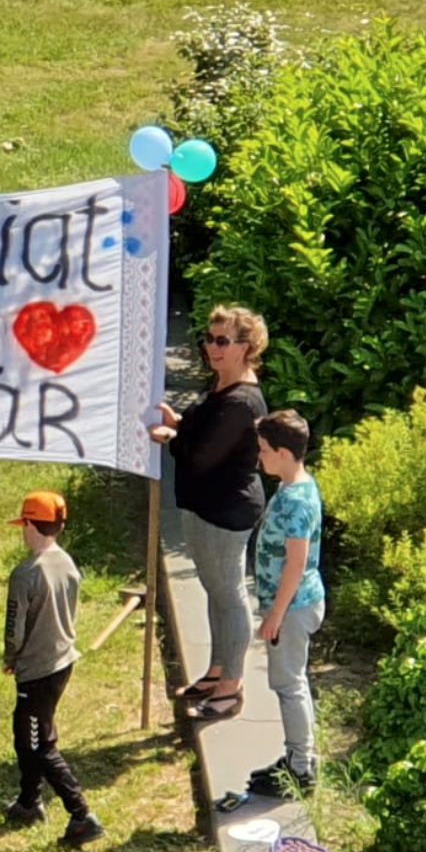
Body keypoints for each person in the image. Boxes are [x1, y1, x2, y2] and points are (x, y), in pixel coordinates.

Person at [149, 305, 269, 721]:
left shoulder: (243, 402)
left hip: (226, 510)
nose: (212, 348)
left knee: (229, 596)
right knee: (215, 591)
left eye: (222, 341)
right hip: (204, 504)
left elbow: (203, 457)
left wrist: (171, 438)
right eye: (209, 339)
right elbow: (204, 432)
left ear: (246, 347)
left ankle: (231, 689)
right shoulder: (221, 384)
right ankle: (216, 672)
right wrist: (180, 423)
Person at [1, 490, 105, 848]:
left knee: (40, 744)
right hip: (63, 661)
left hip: (37, 670)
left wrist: (11, 657)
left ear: (30, 526)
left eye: (23, 525)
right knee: (25, 734)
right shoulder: (67, 563)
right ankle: (29, 802)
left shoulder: (25, 574)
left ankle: (82, 816)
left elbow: (14, 627)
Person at [246, 410, 325, 798]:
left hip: (292, 609)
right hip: (294, 604)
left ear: (282, 452)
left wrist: (275, 615)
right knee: (293, 682)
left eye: (263, 449)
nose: (258, 456)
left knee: (288, 684)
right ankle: (300, 756)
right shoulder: (295, 485)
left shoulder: (295, 501)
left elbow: (296, 563)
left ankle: (300, 767)